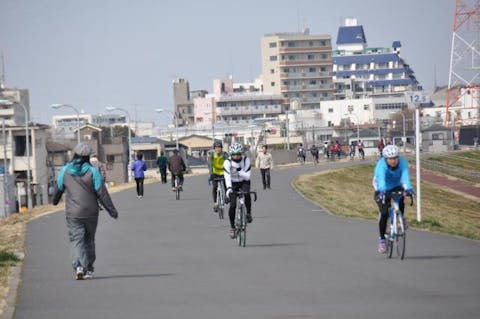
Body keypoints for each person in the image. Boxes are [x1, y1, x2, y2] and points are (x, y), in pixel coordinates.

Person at [53, 142, 118, 280]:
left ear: (74, 154)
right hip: (91, 212)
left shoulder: (65, 170)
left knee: (77, 239)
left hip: (73, 213)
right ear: (88, 156)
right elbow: (102, 192)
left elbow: (59, 187)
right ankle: (88, 269)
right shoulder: (92, 170)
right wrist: (112, 210)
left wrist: (55, 201)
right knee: (89, 240)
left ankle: (79, 267)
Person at [372, 144, 414, 254]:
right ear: (386, 159)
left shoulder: (402, 163)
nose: (393, 161)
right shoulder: (381, 165)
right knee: (384, 212)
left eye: (395, 158)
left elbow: (405, 177)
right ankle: (382, 240)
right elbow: (381, 180)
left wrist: (409, 189)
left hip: (396, 185)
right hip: (382, 187)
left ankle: (401, 218)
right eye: (390, 159)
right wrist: (381, 192)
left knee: (401, 198)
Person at [224, 143, 252, 239]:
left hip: (244, 182)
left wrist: (239, 169)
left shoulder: (246, 160)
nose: (236, 156)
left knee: (247, 194)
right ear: (231, 154)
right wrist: (228, 189)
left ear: (241, 153)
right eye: (234, 154)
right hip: (232, 183)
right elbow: (227, 177)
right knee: (232, 205)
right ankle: (232, 228)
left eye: (238, 154)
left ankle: (248, 213)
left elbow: (247, 176)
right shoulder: (227, 162)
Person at [207, 141, 229, 212]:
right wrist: (210, 174)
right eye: (216, 148)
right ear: (214, 149)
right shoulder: (212, 155)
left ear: (222, 148)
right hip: (215, 172)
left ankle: (226, 196)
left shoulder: (225, 155)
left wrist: (229, 173)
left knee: (226, 185)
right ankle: (215, 203)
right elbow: (210, 165)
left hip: (223, 172)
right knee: (214, 187)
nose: (218, 149)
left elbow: (228, 163)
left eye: (219, 147)